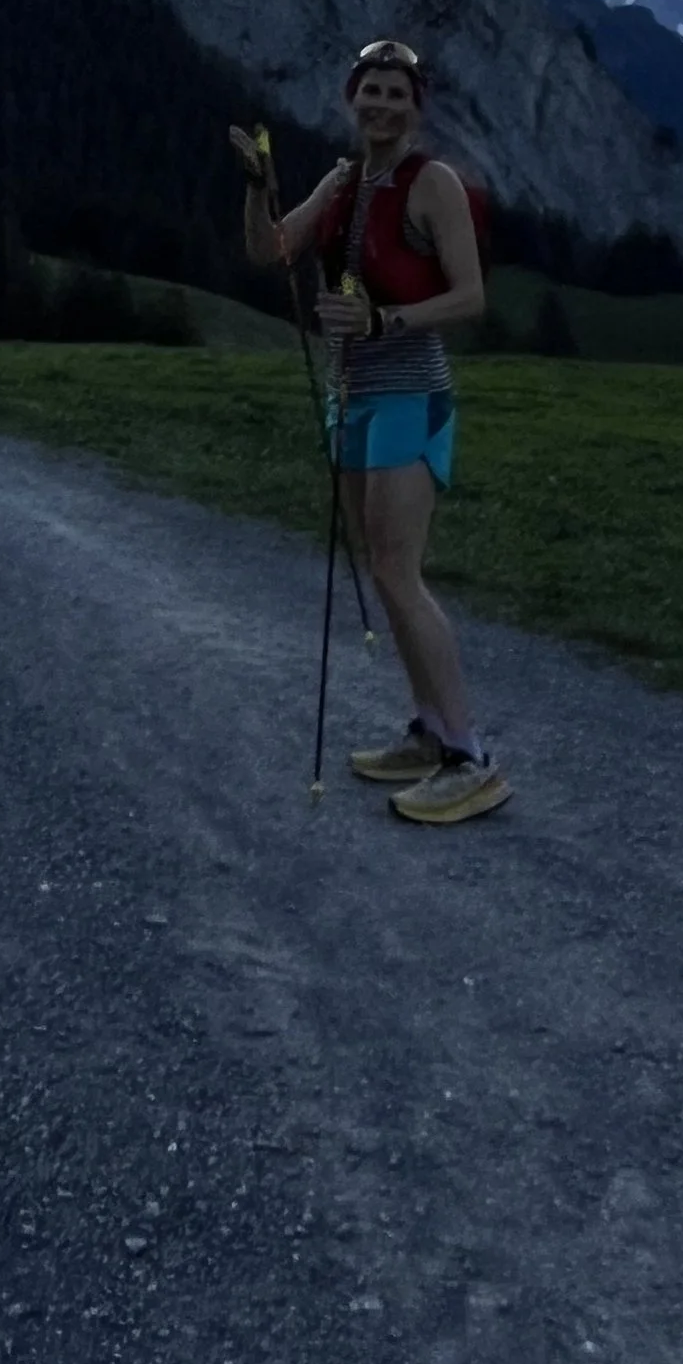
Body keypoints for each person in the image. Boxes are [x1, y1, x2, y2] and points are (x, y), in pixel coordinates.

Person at [229, 40, 510, 826]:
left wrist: (385, 317)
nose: (382, 104)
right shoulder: (344, 179)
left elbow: (471, 297)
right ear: (351, 100)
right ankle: (428, 731)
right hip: (349, 394)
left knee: (397, 569)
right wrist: (258, 186)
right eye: (370, 91)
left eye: (397, 92)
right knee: (382, 568)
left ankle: (471, 756)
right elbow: (271, 249)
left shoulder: (434, 184)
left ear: (418, 107)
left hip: (410, 393)